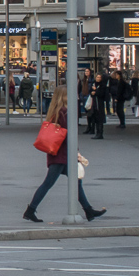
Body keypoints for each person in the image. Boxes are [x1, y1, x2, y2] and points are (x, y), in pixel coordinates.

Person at [24, 87, 106, 223]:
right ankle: (30, 210)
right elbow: (69, 134)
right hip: (63, 155)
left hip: (58, 154)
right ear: (64, 97)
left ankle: (88, 210)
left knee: (75, 182)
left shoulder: (56, 111)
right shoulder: (65, 112)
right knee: (50, 183)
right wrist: (76, 152)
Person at [92, 72, 109, 139]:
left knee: (100, 118)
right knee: (95, 118)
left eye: (99, 77)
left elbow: (102, 94)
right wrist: (92, 92)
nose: (98, 79)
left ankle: (100, 133)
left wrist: (96, 91)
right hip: (94, 103)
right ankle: (97, 132)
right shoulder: (94, 84)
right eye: (97, 77)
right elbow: (91, 93)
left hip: (100, 103)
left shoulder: (103, 85)